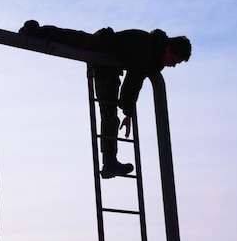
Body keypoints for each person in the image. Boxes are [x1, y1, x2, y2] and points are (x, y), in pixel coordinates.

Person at [18, 20, 191, 179]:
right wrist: (128, 110)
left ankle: (110, 161)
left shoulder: (154, 56)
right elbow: (133, 80)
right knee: (74, 39)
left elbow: (134, 81)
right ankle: (36, 31)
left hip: (111, 64)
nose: (173, 65)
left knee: (109, 115)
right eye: (175, 60)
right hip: (104, 47)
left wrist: (128, 111)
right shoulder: (149, 49)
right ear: (168, 49)